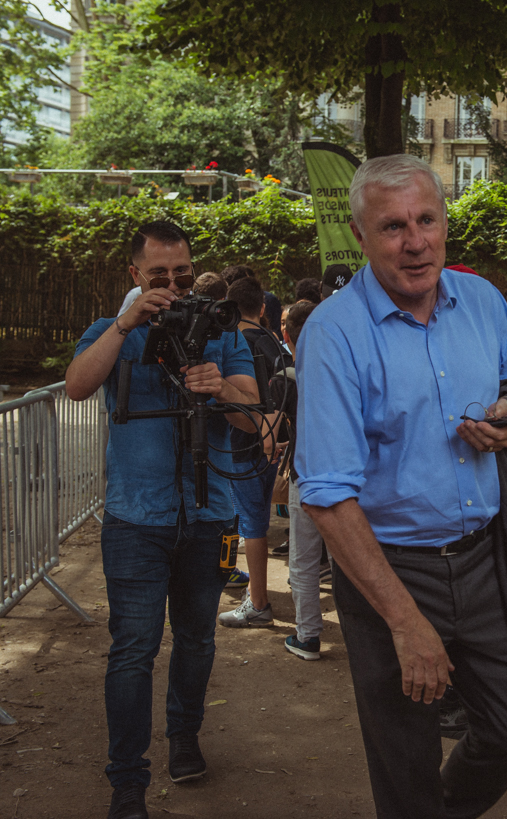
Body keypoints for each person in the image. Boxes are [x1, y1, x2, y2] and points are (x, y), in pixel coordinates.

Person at [295, 154, 507, 819]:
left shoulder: (480, 300)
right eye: (393, 226)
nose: (415, 241)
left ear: (446, 224)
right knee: (406, 761)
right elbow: (327, 496)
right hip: (387, 568)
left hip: (486, 556)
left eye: (427, 219)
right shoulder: (334, 332)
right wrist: (404, 619)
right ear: (361, 236)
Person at [66, 220, 259, 819]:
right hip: (136, 519)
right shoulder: (111, 331)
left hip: (209, 515)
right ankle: (128, 781)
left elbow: (253, 419)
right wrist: (127, 324)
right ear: (135, 277)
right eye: (159, 277)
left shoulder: (221, 333)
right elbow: (76, 385)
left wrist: (220, 385)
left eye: (181, 275)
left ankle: (184, 735)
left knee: (198, 639)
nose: (173, 287)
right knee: (132, 651)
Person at [218, 275, 289, 629]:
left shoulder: (237, 344)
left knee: (252, 526)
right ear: (262, 308)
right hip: (273, 446)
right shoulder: (273, 342)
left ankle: (258, 602)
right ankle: (253, 596)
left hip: (244, 445)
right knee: (256, 520)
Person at [262, 301, 322, 659]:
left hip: (306, 476)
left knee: (303, 560)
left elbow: (268, 436)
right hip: (348, 480)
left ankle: (308, 635)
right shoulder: (346, 370)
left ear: (285, 334)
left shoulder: (285, 377)